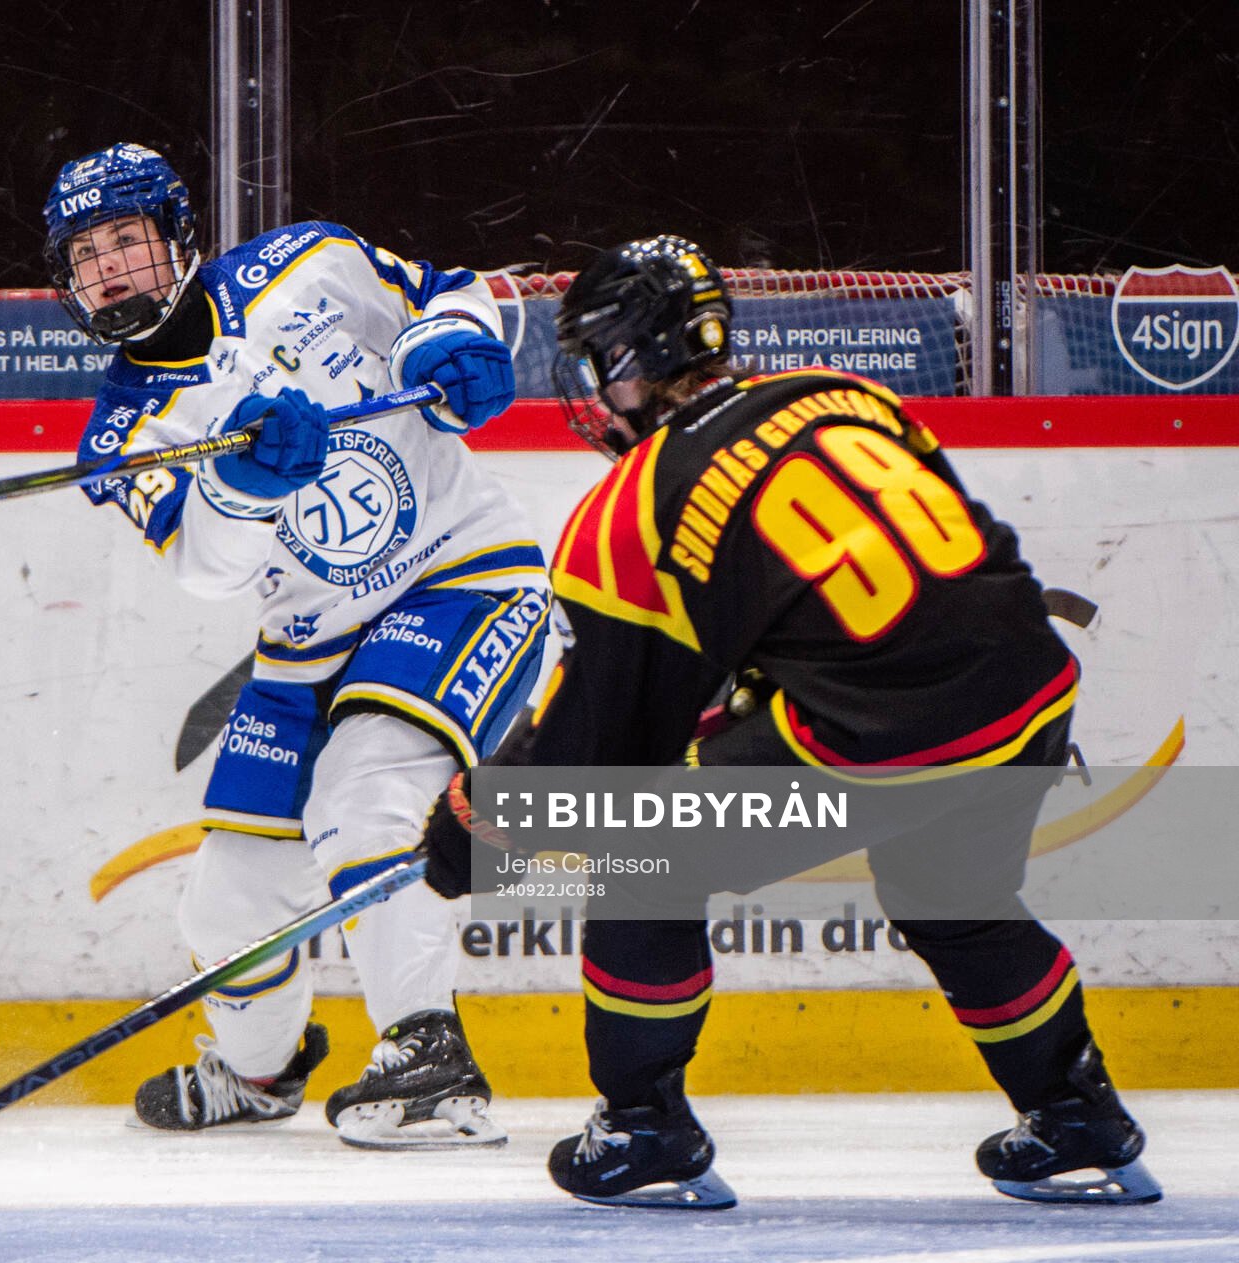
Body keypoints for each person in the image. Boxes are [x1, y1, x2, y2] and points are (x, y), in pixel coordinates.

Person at [421, 234, 1158, 1206]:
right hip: (1028, 690)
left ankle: (644, 1127)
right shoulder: (840, 396)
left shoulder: (633, 504)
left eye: (599, 360)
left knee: (638, 855)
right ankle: (1076, 1113)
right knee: (954, 896)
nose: (595, 389)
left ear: (630, 360)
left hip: (884, 729)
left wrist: (479, 822)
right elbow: (921, 569)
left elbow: (605, 743)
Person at [40, 142, 552, 1148]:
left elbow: (446, 292)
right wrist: (243, 489)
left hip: (461, 577)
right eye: (85, 256)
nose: (107, 271)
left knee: (366, 793)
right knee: (227, 907)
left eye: (125, 240)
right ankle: (259, 1074)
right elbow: (206, 566)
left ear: (178, 235)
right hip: (305, 650)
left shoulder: (308, 262)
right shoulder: (123, 431)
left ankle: (429, 1057)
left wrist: (451, 346)